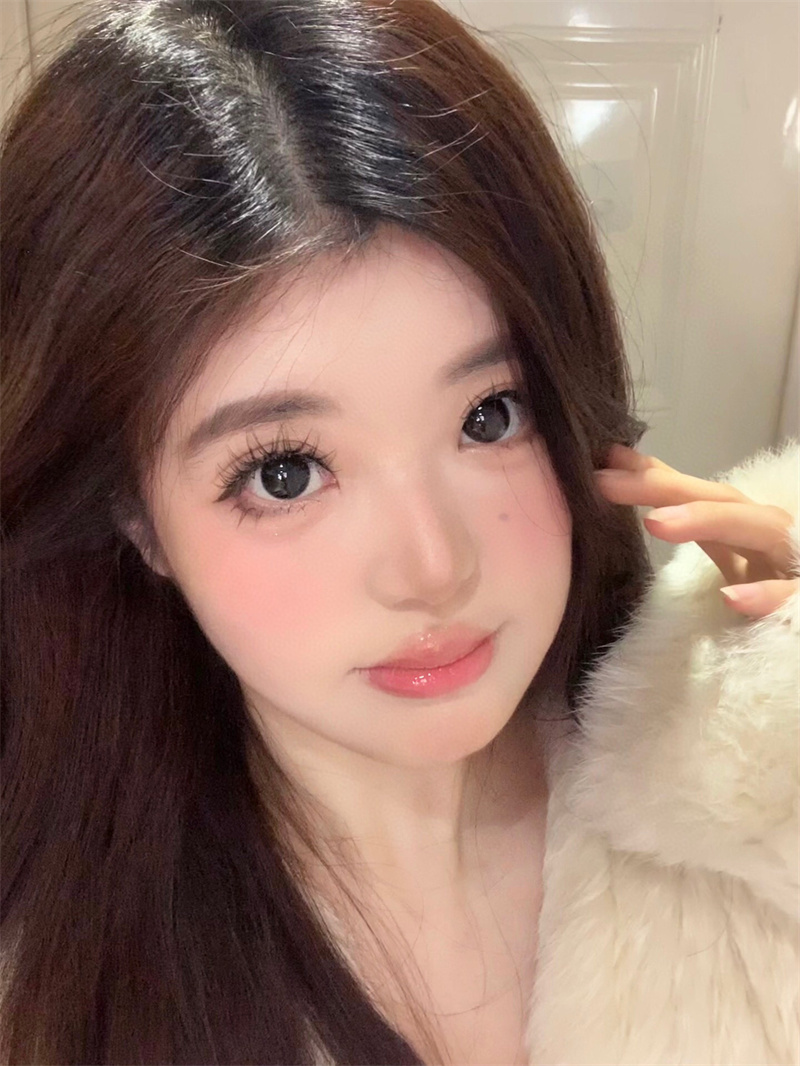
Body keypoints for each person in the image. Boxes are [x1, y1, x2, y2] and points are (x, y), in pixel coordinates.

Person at [1, 0, 797, 1063]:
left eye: (490, 415)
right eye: (284, 473)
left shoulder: (739, 818)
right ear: (134, 516)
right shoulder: (49, 989)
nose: (433, 566)